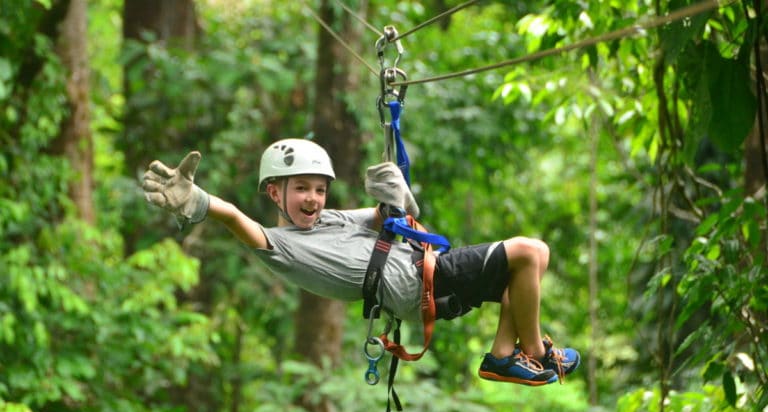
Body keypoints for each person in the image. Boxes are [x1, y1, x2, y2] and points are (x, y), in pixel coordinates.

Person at [141, 138, 580, 385]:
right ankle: (535, 352)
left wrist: (394, 191)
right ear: (275, 192)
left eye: (319, 189)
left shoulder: (328, 221)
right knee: (529, 251)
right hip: (420, 283)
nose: (313, 199)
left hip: (427, 273)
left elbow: (382, 217)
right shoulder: (280, 247)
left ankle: (503, 354)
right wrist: (197, 200)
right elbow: (237, 219)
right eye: (301, 188)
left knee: (527, 271)